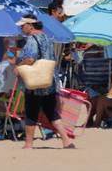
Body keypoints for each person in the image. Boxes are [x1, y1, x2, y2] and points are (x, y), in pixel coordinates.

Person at [17, 17, 74, 150]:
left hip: (35, 82)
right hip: (49, 81)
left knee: (31, 112)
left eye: (23, 25)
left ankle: (29, 143)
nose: (21, 28)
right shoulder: (48, 38)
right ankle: (66, 140)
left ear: (30, 26)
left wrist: (18, 67)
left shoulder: (32, 39)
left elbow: (31, 59)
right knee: (51, 112)